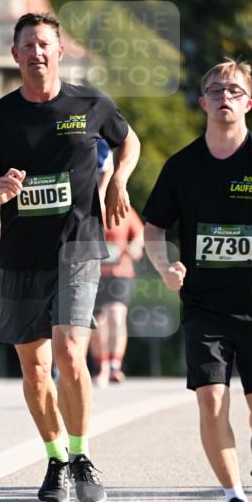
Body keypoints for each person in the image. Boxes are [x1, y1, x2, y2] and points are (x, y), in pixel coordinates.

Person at [0, 11, 140, 502]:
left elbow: (129, 141)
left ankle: (83, 455)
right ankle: (56, 458)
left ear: (59, 51)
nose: (37, 53)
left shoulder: (90, 103)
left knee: (68, 352)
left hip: (78, 247)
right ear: (15, 55)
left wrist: (118, 181)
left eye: (45, 44)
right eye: (28, 45)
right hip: (21, 256)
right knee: (35, 369)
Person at [144, 58, 252, 502]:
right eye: (215, 90)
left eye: (233, 90)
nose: (223, 97)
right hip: (206, 305)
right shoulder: (183, 166)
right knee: (211, 400)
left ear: (249, 102)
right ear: (202, 101)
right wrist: (165, 266)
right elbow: (152, 227)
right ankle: (234, 499)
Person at [90, 142, 145, 386]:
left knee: (116, 316)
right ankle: (101, 366)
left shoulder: (124, 206)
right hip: (93, 273)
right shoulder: (87, 207)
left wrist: (134, 247)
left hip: (120, 272)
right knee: (97, 321)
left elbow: (141, 234)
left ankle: (115, 365)